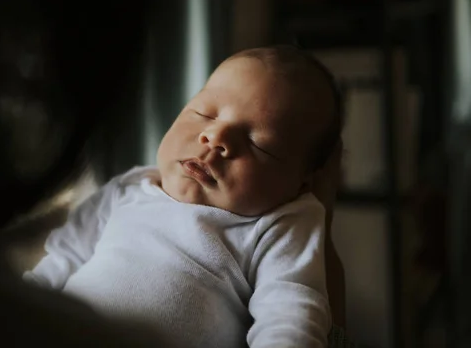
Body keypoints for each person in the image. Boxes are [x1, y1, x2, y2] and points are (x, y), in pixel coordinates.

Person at [24, 46, 344, 348]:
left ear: (301, 184)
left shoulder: (280, 222)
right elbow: (60, 262)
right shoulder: (129, 189)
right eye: (204, 113)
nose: (215, 137)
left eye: (257, 142)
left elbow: (291, 312)